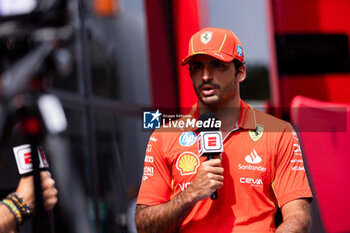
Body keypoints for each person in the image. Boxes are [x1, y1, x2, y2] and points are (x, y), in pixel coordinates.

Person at [135, 27, 313, 232]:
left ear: (241, 72)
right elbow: (145, 226)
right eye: (196, 67)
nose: (205, 76)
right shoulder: (164, 137)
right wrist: (191, 194)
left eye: (217, 65)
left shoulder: (279, 133)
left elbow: (298, 217)